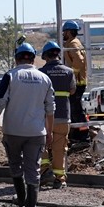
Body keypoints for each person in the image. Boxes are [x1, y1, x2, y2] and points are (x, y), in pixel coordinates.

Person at [0, 43, 53, 207]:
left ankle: (22, 201)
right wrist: (50, 132)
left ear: (17, 58)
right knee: (33, 169)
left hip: (13, 131)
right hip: (36, 132)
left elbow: (0, 102)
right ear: (33, 58)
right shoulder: (44, 78)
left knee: (15, 166)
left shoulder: (11, 75)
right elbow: (50, 109)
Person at [37, 40, 76, 189]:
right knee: (60, 148)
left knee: (43, 146)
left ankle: (45, 172)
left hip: (45, 117)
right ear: (58, 55)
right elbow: (72, 90)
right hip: (63, 116)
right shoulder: (69, 71)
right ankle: (60, 179)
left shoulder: (41, 73)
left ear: (45, 56)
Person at [62, 20, 88, 141]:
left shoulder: (73, 44)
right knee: (74, 109)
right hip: (77, 82)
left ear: (69, 32)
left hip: (77, 82)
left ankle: (83, 135)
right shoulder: (72, 43)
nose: (63, 33)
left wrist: (71, 74)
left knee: (76, 110)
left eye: (64, 31)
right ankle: (77, 134)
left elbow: (79, 61)